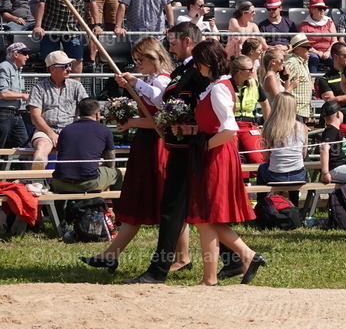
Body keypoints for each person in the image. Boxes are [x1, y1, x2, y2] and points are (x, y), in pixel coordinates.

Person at [82, 38, 188, 274]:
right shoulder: (150, 79)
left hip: (158, 145)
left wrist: (135, 86)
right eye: (136, 60)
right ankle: (112, 253)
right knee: (144, 200)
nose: (137, 64)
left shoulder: (162, 79)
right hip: (146, 144)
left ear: (154, 58)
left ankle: (182, 257)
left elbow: (162, 110)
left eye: (141, 60)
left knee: (168, 201)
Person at [122, 22, 209, 284]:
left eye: (172, 42)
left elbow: (194, 104)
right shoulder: (184, 69)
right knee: (183, 210)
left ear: (186, 41)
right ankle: (242, 257)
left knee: (182, 210)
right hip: (178, 145)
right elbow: (168, 103)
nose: (169, 47)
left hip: (189, 145)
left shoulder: (196, 69)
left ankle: (158, 271)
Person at [185, 39, 265, 286]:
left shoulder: (219, 87)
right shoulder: (217, 86)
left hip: (217, 154)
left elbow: (229, 129)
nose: (196, 68)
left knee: (205, 217)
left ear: (205, 62)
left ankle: (222, 270)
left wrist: (204, 146)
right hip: (216, 151)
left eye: (198, 62)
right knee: (206, 218)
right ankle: (241, 259)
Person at [33, 0, 102, 73]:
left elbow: (92, 3)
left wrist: (97, 24)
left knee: (77, 59)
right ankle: (51, 88)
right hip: (51, 27)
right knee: (50, 60)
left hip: (73, 28)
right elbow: (42, 3)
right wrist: (38, 26)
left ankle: (76, 88)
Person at [27, 51, 89, 168]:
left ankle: (81, 178)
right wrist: (51, 133)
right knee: (42, 145)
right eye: (65, 66)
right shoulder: (38, 88)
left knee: (81, 145)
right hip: (45, 130)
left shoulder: (76, 86)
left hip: (71, 130)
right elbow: (35, 116)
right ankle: (37, 177)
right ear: (52, 69)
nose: (69, 69)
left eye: (69, 65)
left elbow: (88, 108)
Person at [50, 98, 123, 194]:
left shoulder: (66, 130)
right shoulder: (104, 130)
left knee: (61, 181)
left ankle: (61, 209)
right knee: (117, 173)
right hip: (88, 183)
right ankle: (118, 208)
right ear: (97, 114)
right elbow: (110, 163)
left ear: (79, 114)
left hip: (60, 183)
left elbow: (60, 156)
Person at [255, 91, 306, 196]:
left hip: (276, 175)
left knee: (262, 168)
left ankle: (262, 205)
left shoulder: (269, 127)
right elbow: (303, 155)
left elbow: (265, 157)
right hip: (298, 175)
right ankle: (294, 205)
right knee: (296, 174)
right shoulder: (303, 127)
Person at [231, 54, 270, 171]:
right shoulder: (226, 85)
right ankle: (241, 184)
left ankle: (257, 185)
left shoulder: (254, 84)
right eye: (250, 69)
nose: (253, 71)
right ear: (239, 72)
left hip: (249, 126)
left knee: (258, 159)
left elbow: (265, 104)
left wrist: (268, 126)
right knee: (233, 159)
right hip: (231, 126)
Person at [0, 42, 31, 149]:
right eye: (25, 53)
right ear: (15, 54)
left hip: (15, 115)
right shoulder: (4, 67)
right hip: (3, 114)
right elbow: (2, 93)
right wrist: (23, 96)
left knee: (26, 149)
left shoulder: (16, 70)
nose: (28, 56)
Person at [298, 0, 336, 72]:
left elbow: (334, 41)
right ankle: (313, 81)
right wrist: (318, 52)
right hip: (312, 51)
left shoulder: (329, 22)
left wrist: (328, 51)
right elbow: (303, 43)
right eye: (319, 8)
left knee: (334, 58)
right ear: (312, 10)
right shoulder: (304, 25)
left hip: (328, 51)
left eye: (324, 9)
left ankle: (335, 81)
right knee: (314, 58)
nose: (322, 11)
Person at [283, 34, 315, 122]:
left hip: (300, 111)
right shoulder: (292, 62)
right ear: (297, 49)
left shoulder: (303, 62)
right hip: (294, 111)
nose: (310, 50)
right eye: (307, 47)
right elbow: (280, 81)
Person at [316, 41, 346, 107]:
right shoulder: (325, 79)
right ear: (335, 56)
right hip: (337, 116)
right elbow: (331, 103)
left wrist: (337, 98)